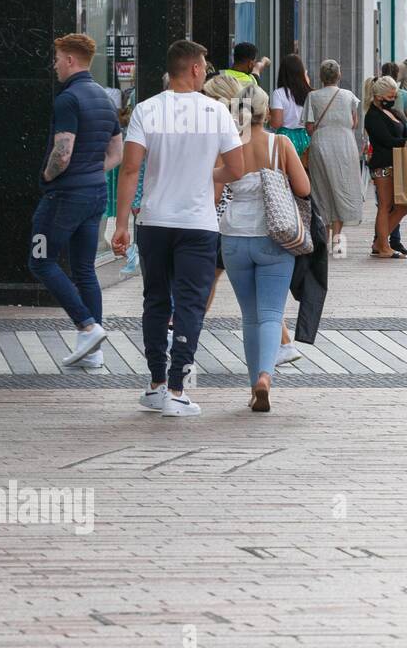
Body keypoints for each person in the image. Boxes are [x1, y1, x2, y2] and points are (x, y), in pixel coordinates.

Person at [112, 39, 244, 417]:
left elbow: (131, 168)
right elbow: (235, 169)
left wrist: (122, 223)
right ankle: (177, 387)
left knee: (155, 300)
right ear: (196, 70)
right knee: (189, 303)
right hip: (197, 223)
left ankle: (155, 384)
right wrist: (207, 175)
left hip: (154, 220)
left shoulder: (147, 109)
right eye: (204, 65)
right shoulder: (216, 112)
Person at [30, 33, 123, 368]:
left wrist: (46, 176)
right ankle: (93, 353)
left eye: (57, 59)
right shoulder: (102, 97)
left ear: (70, 59)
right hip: (96, 191)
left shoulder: (67, 99)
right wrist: (90, 171)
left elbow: (63, 152)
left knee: (40, 260)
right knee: (84, 269)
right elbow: (117, 152)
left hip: (64, 195)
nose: (54, 66)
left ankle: (87, 325)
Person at [219, 86, 311, 412]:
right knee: (272, 313)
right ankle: (265, 377)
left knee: (249, 317)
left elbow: (216, 193)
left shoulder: (227, 146)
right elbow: (304, 188)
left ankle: (251, 386)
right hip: (275, 236)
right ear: (265, 111)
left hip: (233, 238)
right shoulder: (280, 143)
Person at [303, 59, 363, 258]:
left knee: (321, 190)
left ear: (321, 77)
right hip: (345, 144)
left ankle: (323, 239)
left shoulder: (312, 96)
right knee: (342, 188)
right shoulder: (349, 96)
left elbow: (309, 127)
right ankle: (338, 241)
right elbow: (354, 123)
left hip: (321, 144)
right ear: (339, 75)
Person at [364, 76, 407, 259]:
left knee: (402, 207)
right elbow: (386, 140)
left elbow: (406, 132)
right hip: (383, 165)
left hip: (397, 165)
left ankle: (380, 241)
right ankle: (383, 246)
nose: (392, 100)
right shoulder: (372, 117)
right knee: (385, 205)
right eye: (389, 97)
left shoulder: (395, 113)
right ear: (377, 96)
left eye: (394, 96)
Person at [270, 54, 312, 159]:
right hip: (306, 138)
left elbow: (277, 123)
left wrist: (268, 117)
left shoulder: (279, 93)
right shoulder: (310, 93)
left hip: (285, 139)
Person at [380, 61, 407, 129]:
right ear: (397, 75)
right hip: (402, 131)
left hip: (382, 130)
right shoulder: (404, 94)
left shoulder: (377, 94)